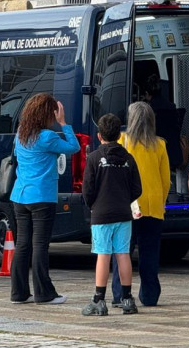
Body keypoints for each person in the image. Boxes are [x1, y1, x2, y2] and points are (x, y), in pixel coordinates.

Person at [9, 93, 81, 305]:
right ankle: (44, 293)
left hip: (20, 195)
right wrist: (63, 123)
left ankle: (19, 293)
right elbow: (74, 147)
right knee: (40, 245)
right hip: (42, 196)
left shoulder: (21, 134)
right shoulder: (47, 137)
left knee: (22, 245)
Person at [82, 113, 142, 316]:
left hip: (101, 214)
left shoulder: (94, 159)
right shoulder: (129, 158)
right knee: (123, 254)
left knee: (103, 255)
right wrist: (125, 200)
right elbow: (137, 189)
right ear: (119, 135)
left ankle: (99, 299)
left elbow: (87, 190)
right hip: (124, 214)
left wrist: (94, 205)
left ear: (99, 136)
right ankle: (127, 299)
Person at [111, 102, 170, 307]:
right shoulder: (160, 144)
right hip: (153, 205)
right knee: (150, 253)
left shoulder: (122, 141)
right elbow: (166, 180)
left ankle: (120, 294)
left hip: (128, 205)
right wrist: (160, 202)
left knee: (122, 251)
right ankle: (150, 295)